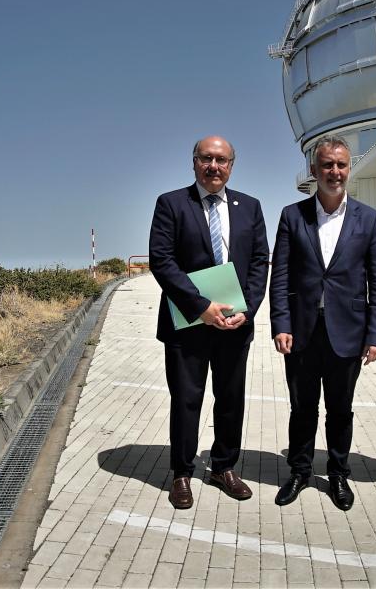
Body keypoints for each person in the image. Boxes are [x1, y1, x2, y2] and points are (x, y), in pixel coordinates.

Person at [149, 135, 270, 510]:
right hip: (189, 322)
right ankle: (182, 473)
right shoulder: (171, 204)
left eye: (221, 160)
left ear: (231, 165)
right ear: (194, 162)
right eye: (207, 159)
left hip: (235, 324)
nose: (214, 166)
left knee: (230, 399)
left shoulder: (250, 207)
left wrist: (246, 308)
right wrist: (202, 307)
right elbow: (162, 260)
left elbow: (259, 260)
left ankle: (224, 467)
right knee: (187, 399)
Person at [269, 136, 376, 511]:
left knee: (340, 409)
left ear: (348, 169)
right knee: (302, 407)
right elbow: (281, 276)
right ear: (314, 171)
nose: (334, 172)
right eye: (327, 166)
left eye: (340, 165)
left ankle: (338, 473)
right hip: (303, 331)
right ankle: (300, 472)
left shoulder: (369, 219)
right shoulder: (293, 216)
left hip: (348, 332)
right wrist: (280, 324)